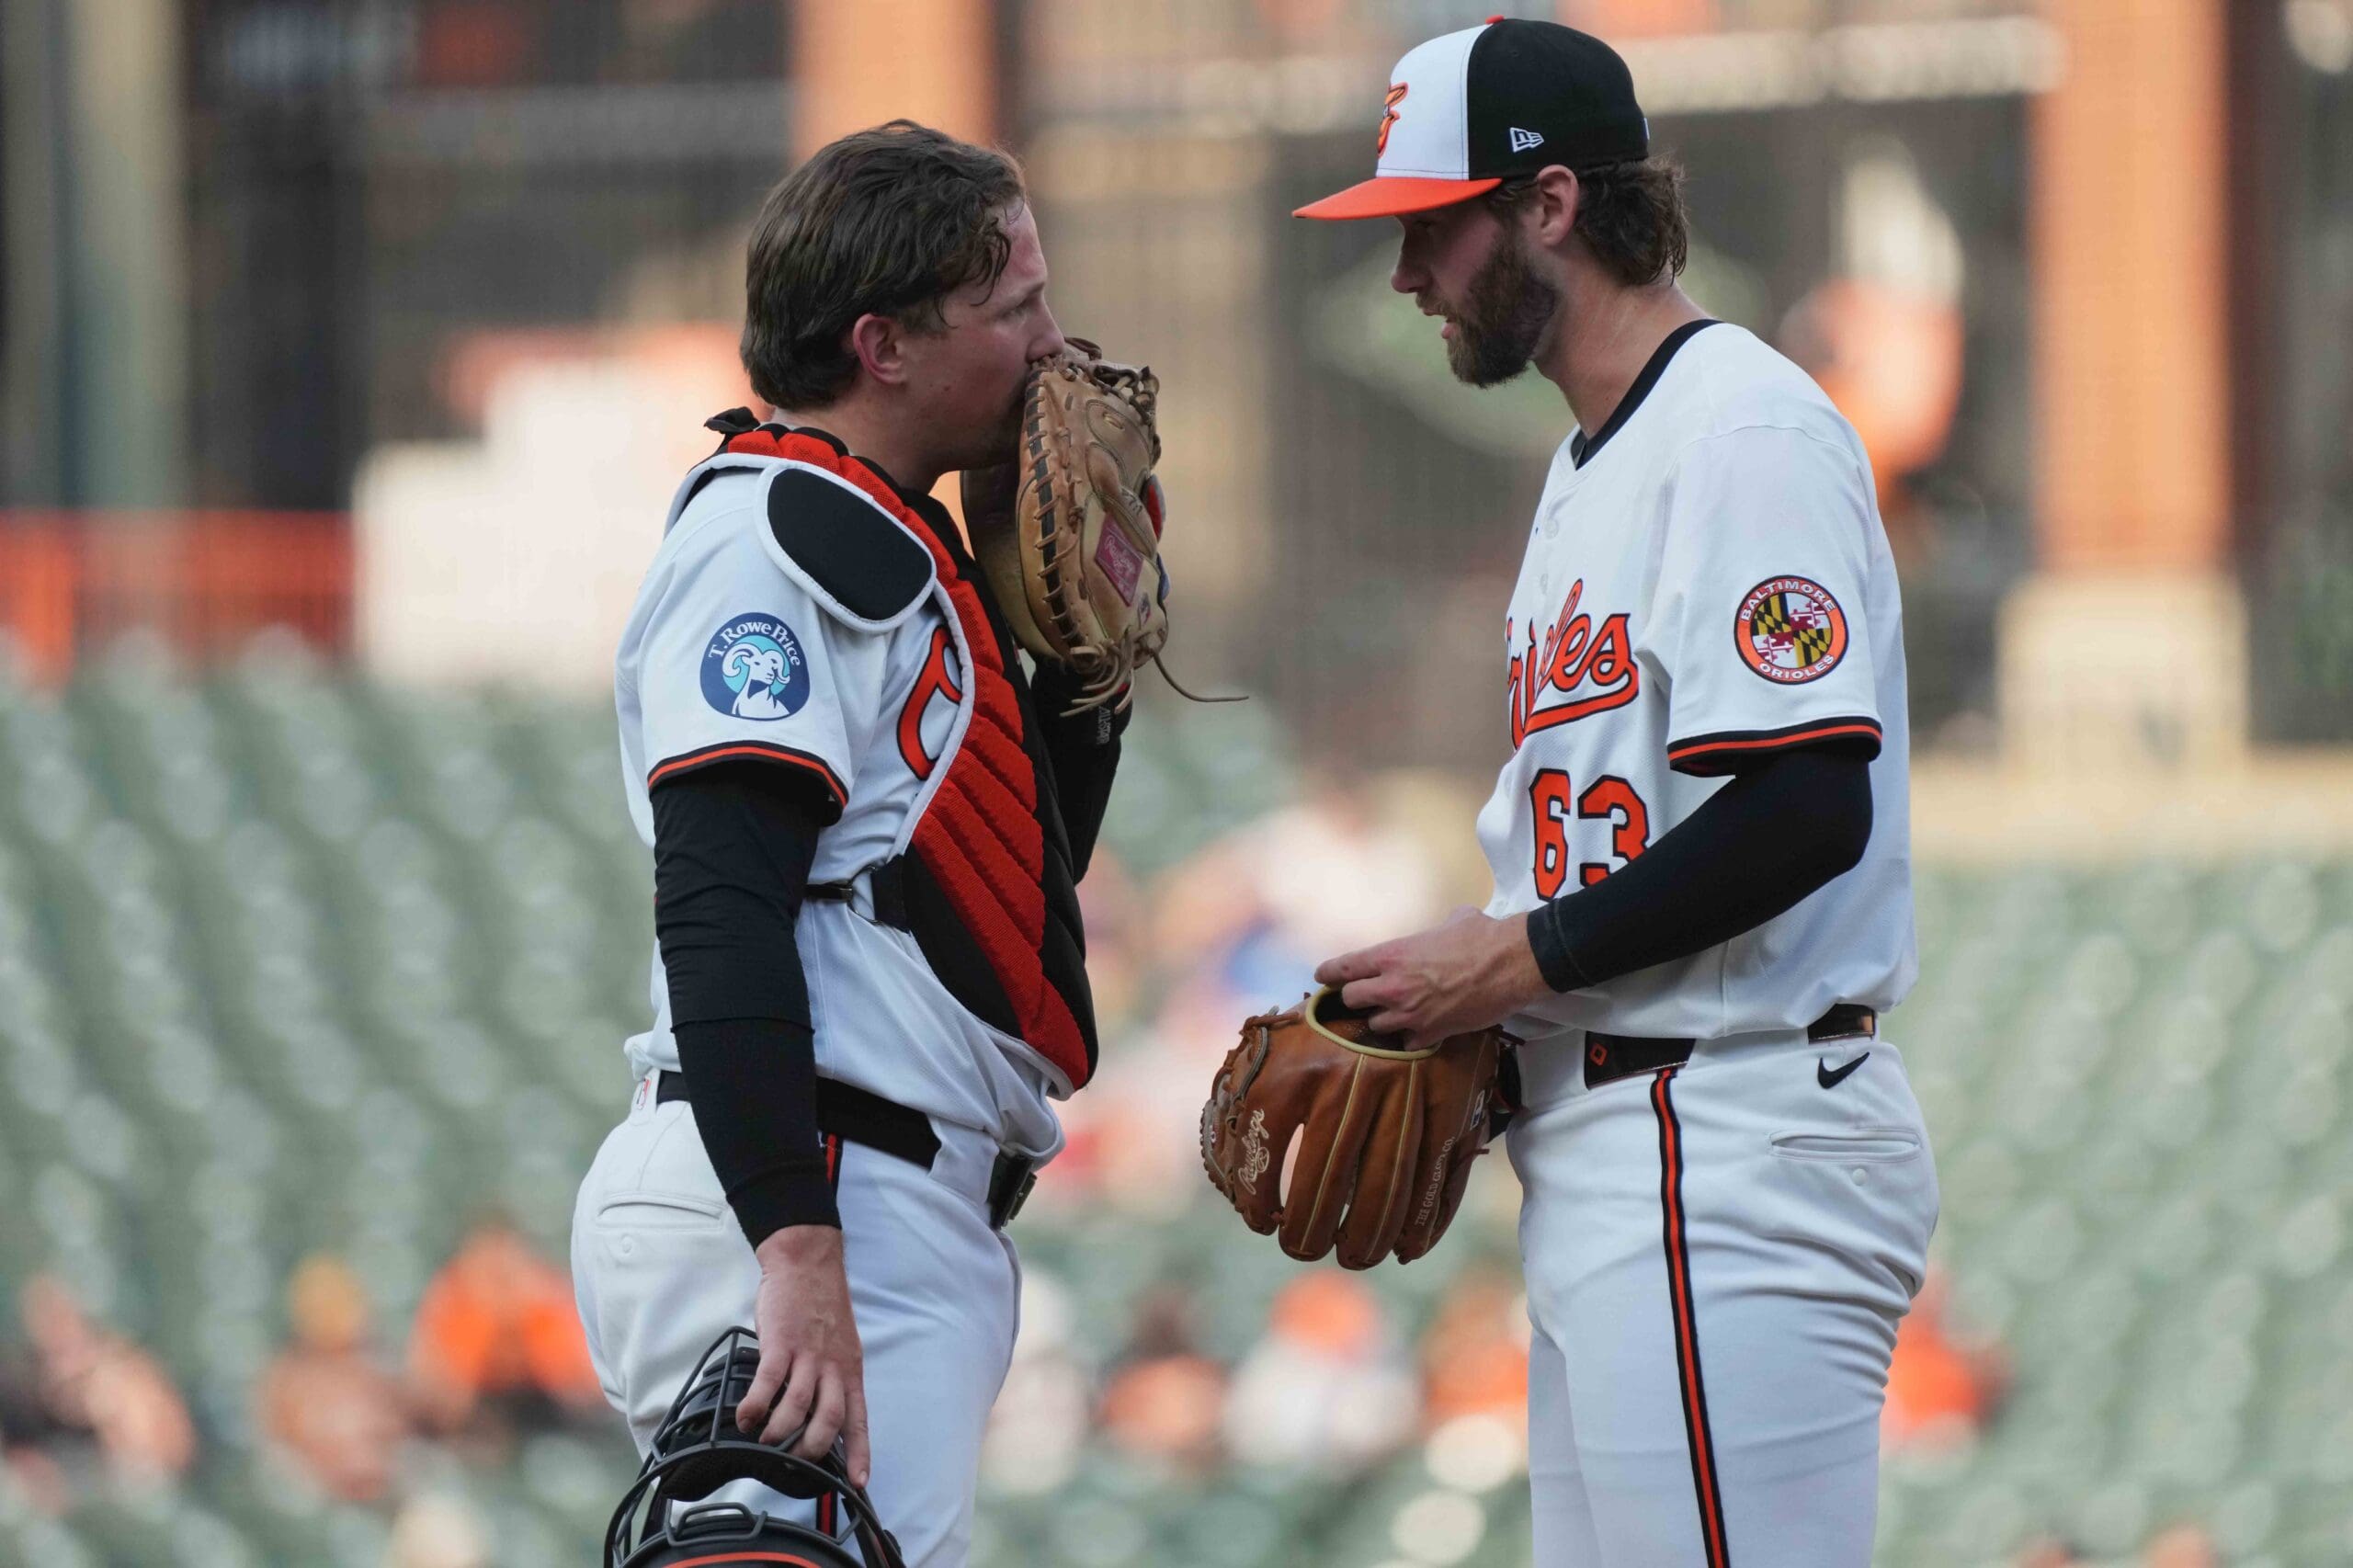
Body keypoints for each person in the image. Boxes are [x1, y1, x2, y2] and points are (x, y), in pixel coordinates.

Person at [1295, 19, 1938, 1567]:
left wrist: (1506, 963)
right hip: (1621, 1137)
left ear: (1552, 205)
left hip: (1728, 1142)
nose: (1405, 275)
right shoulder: (1591, 465)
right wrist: (1484, 1012)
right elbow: (1632, 825)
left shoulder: (1745, 434)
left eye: (1428, 225)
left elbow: (1803, 806)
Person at [571, 119, 1128, 1566]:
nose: (1053, 342)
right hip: (811, 1176)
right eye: (1014, 308)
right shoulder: (774, 537)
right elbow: (718, 904)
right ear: (883, 344)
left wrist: (1083, 673)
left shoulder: (897, 538)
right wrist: (796, 1244)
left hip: (870, 1188)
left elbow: (1002, 902)